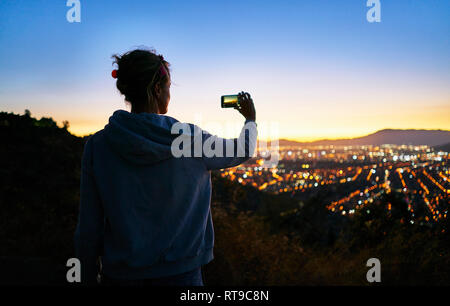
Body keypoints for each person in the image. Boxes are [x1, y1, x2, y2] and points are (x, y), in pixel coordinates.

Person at [74, 48, 257, 286]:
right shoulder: (190, 139)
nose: (170, 93)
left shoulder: (98, 146)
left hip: (120, 275)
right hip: (182, 276)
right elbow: (242, 149)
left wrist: (87, 276)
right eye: (169, 86)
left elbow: (88, 228)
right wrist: (250, 119)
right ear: (157, 89)